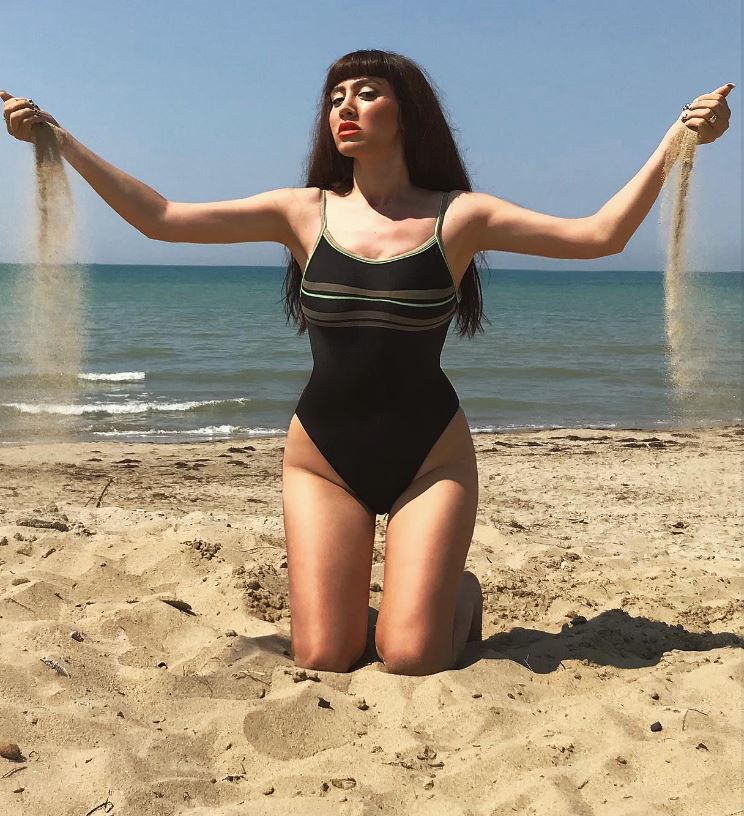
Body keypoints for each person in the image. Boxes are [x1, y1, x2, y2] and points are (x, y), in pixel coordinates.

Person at [2, 51, 733, 677]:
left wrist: (678, 139)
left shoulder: (460, 216)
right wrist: (60, 140)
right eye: (335, 98)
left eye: (366, 93)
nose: (345, 107)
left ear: (407, 114)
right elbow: (160, 218)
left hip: (430, 460)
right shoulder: (302, 211)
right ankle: (396, 597)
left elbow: (601, 236)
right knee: (325, 655)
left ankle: (459, 593)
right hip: (323, 459)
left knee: (411, 658)